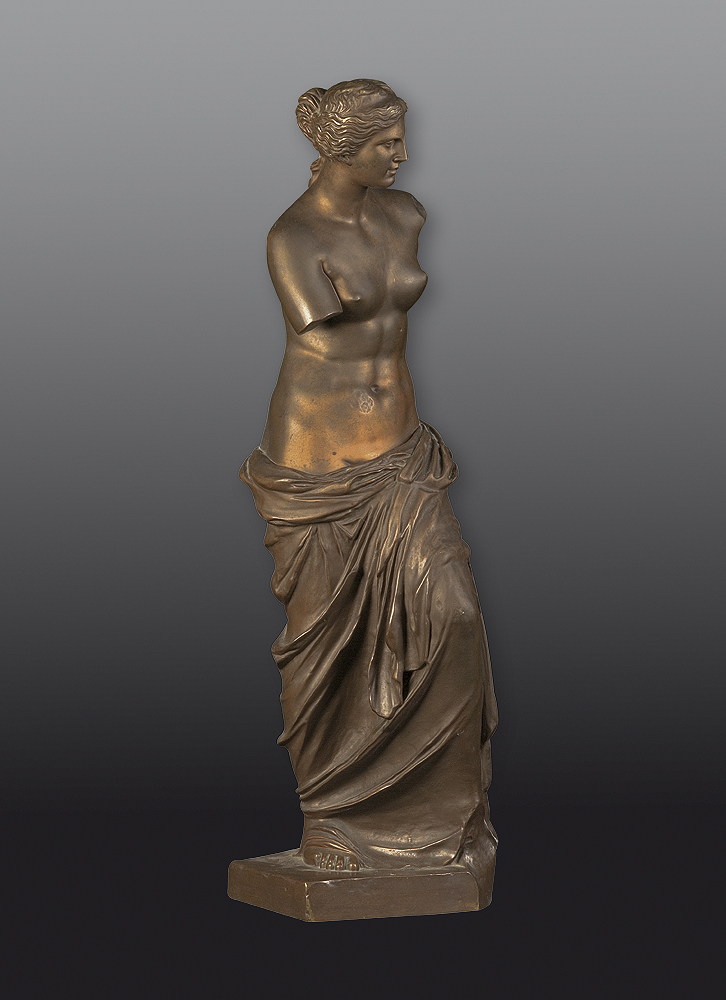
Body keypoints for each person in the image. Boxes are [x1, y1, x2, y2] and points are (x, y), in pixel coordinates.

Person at [241, 80, 497, 891]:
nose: (404, 156)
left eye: (400, 140)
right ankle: (332, 817)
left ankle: (434, 821)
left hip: (402, 452)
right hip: (320, 467)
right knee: (327, 648)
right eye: (388, 144)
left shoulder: (405, 214)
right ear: (342, 150)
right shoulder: (292, 238)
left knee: (453, 616)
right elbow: (326, 332)